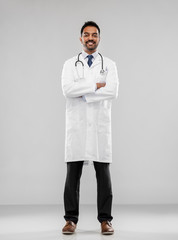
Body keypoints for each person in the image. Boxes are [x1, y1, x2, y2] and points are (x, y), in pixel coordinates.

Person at [61, 21, 119, 235]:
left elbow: (113, 91)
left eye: (94, 35)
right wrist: (95, 86)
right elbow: (67, 89)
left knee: (103, 175)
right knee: (72, 176)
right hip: (76, 127)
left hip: (99, 127)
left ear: (99, 38)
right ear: (81, 38)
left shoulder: (109, 65)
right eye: (86, 35)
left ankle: (105, 220)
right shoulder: (69, 64)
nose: (90, 38)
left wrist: (82, 93)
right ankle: (70, 220)